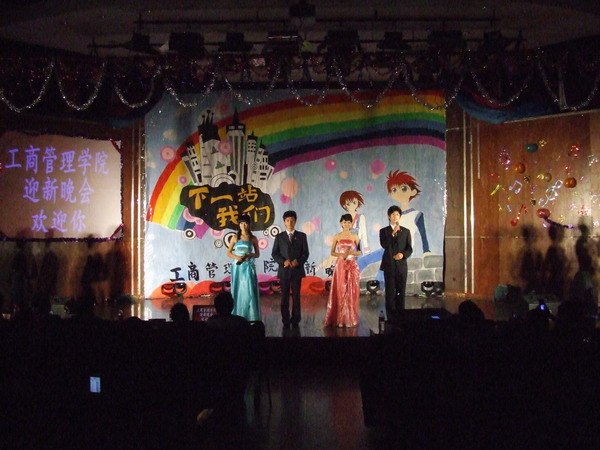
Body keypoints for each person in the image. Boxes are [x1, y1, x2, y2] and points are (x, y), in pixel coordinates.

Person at [271, 210, 309, 328]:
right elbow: (274, 253)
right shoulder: (279, 237)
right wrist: (283, 261)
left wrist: (298, 261)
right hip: (284, 271)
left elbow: (305, 253)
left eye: (292, 220)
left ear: (295, 221)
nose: (290, 222)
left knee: (296, 296)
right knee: (284, 297)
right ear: (284, 222)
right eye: (287, 220)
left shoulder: (302, 236)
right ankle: (285, 319)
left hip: (297, 271)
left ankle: (296, 319)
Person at [324, 214, 361, 327]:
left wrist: (350, 253)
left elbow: (359, 252)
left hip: (351, 264)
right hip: (340, 265)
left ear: (351, 223)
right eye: (344, 222)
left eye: (349, 222)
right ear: (341, 223)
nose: (346, 224)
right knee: (340, 290)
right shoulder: (337, 236)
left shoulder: (355, 236)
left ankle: (349, 318)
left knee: (351, 291)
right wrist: (341, 255)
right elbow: (332, 252)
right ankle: (339, 318)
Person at [379, 205, 412, 318]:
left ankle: (401, 317)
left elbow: (409, 248)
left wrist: (403, 255)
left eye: (397, 214)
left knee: (401, 292)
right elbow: (384, 244)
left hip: (401, 266)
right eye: (393, 214)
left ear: (400, 216)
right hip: (389, 265)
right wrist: (392, 233)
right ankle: (390, 318)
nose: (395, 216)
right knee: (390, 293)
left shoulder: (406, 231)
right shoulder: (384, 231)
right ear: (389, 216)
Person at [226, 214, 261, 321]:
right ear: (239, 225)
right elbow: (228, 253)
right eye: (241, 223)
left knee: (248, 289)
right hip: (237, 267)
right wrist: (237, 257)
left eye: (245, 223)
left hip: (248, 267)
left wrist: (250, 255)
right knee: (238, 289)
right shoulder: (235, 237)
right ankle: (237, 315)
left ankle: (251, 316)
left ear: (249, 224)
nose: (243, 225)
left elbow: (257, 254)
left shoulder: (253, 238)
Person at [386, 170, 430, 254]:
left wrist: (426, 251)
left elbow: (423, 235)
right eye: (394, 190)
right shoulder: (394, 215)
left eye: (403, 189)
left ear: (413, 192)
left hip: (405, 251)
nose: (399, 193)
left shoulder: (416, 215)